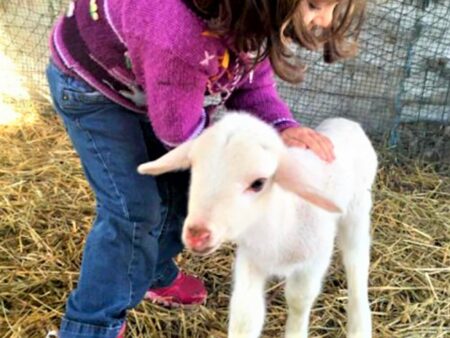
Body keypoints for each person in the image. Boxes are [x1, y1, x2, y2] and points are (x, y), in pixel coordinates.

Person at [46, 0, 365, 337]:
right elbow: (178, 134)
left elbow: (251, 84)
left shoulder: (251, 18)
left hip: (159, 83)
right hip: (94, 88)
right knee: (134, 210)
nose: (326, 21)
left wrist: (281, 125)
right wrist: (238, 178)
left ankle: (152, 271)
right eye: (315, 4)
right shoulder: (176, 35)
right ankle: (90, 327)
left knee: (183, 194)